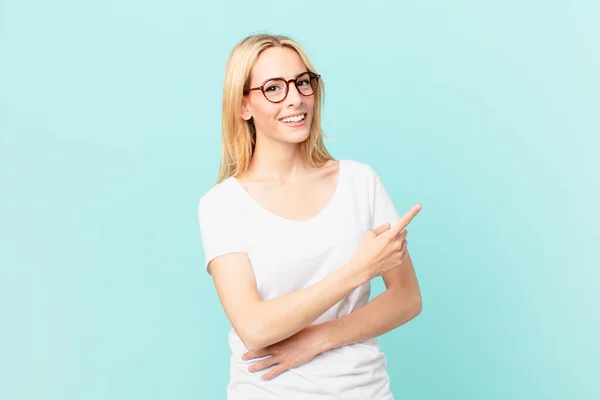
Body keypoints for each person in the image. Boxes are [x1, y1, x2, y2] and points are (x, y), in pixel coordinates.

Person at [197, 33, 423, 400]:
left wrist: (317, 340)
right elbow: (253, 327)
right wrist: (357, 271)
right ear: (243, 106)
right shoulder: (222, 205)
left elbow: (407, 297)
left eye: (302, 83)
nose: (295, 98)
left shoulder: (360, 182)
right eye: (274, 88)